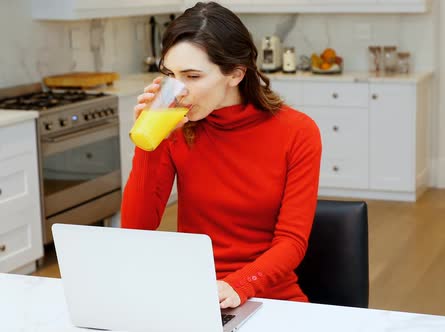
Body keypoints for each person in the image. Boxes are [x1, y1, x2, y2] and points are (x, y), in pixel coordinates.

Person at [121, 2, 322, 309]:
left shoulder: (298, 132)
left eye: (192, 76)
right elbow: (136, 230)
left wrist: (238, 286)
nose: (178, 90)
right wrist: (150, 140)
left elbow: (291, 242)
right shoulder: (175, 129)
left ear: (235, 74)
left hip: (268, 295)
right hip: (195, 292)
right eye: (171, 75)